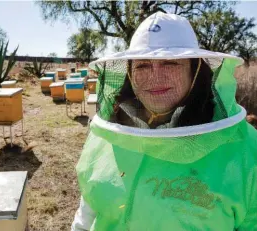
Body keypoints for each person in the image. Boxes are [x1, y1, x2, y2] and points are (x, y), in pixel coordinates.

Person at [71, 12, 257, 231]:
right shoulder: (106, 133)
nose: (155, 76)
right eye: (142, 65)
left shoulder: (247, 149)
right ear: (129, 74)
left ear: (195, 70)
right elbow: (87, 213)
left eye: (170, 62)